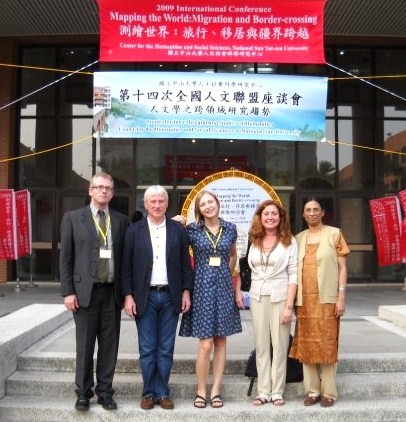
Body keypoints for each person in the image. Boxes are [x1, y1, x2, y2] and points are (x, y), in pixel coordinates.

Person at [59, 172, 128, 411]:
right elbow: (65, 258)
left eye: (108, 188)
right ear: (90, 190)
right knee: (85, 346)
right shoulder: (72, 219)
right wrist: (68, 291)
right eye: (98, 187)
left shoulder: (120, 221)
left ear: (112, 192)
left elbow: (125, 261)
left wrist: (127, 293)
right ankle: (83, 393)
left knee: (109, 346)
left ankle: (105, 392)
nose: (103, 191)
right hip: (84, 292)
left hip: (112, 292)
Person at [121, 185, 194, 411]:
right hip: (145, 297)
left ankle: (162, 392)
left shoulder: (178, 230)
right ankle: (148, 392)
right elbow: (126, 267)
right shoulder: (134, 231)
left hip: (171, 295)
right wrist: (128, 296)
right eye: (152, 201)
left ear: (167, 204)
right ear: (145, 205)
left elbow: (186, 265)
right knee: (147, 348)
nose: (157, 205)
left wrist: (186, 291)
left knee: (165, 348)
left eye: (161, 201)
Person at [179, 190, 243, 409]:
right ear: (199, 209)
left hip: (224, 288)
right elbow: (172, 236)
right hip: (202, 288)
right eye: (203, 204)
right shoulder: (192, 230)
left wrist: (227, 273)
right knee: (206, 344)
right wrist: (175, 220)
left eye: (211, 202)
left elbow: (233, 254)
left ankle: (216, 390)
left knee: (221, 341)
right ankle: (201, 389)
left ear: (218, 203)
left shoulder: (230, 228)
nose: (208, 206)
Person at [235, 199, 298, 407]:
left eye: (274, 214)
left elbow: (293, 274)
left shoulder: (289, 240)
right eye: (266, 214)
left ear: (280, 218)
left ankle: (277, 391)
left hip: (280, 296)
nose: (270, 217)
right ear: (260, 217)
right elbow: (246, 267)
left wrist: (289, 306)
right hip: (257, 296)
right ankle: (263, 391)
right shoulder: (254, 238)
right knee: (261, 345)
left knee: (280, 345)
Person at [289, 198, 350, 408]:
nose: (312, 213)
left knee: (327, 343)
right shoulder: (299, 238)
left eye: (316, 209)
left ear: (323, 212)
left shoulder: (334, 234)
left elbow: (342, 268)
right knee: (306, 344)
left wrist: (341, 296)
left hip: (327, 299)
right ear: (303, 215)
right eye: (308, 210)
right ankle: (313, 391)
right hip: (304, 301)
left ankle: (329, 393)